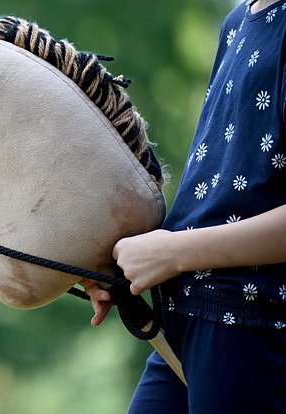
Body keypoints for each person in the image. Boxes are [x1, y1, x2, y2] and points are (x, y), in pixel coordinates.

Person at [83, 0, 286, 412]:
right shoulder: (238, 22)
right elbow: (217, 191)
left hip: (252, 324)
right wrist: (120, 263)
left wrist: (174, 254)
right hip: (188, 317)